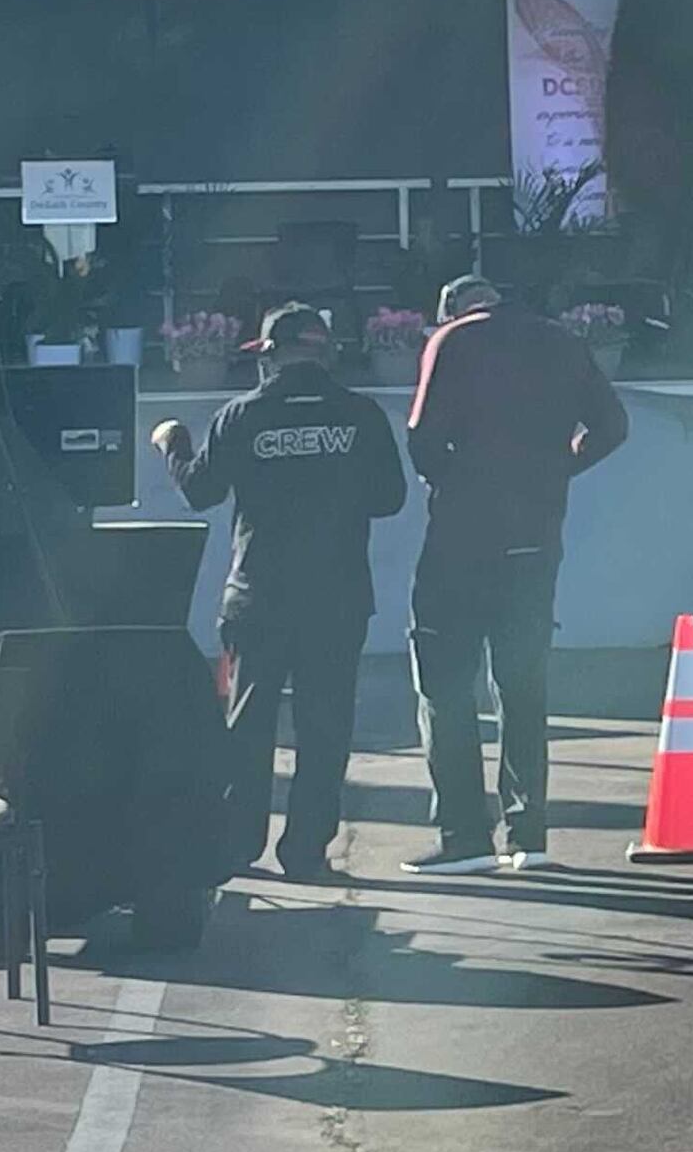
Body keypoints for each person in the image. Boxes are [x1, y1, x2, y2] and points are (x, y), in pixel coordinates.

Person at [153, 302, 408, 902]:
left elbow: (199, 493)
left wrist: (172, 442)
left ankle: (239, 845)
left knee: (247, 725)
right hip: (337, 597)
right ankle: (306, 850)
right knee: (325, 727)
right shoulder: (362, 414)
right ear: (325, 353)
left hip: (259, 596)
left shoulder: (242, 415)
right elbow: (389, 499)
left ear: (268, 355)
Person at [405, 272, 627, 872]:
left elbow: (422, 439)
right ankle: (528, 836)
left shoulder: (454, 341)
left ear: (451, 310)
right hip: (534, 540)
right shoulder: (560, 341)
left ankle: (463, 838)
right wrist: (556, 471)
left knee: (446, 684)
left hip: (461, 540)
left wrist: (455, 480)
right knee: (523, 687)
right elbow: (614, 427)